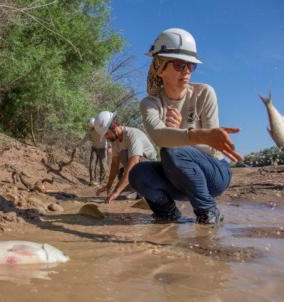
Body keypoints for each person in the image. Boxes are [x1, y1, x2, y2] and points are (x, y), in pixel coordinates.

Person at [127, 28, 243, 225]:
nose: (187, 71)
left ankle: (208, 209)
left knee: (173, 151)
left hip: (214, 173)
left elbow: (211, 148)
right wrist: (182, 135)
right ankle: (167, 213)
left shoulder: (204, 93)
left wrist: (183, 133)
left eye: (191, 66)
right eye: (180, 65)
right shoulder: (150, 103)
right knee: (138, 173)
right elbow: (158, 136)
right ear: (159, 67)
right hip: (178, 176)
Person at [92, 111, 157, 204]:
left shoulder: (132, 135)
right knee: (123, 196)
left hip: (150, 170)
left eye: (106, 134)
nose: (106, 138)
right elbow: (114, 165)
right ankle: (136, 191)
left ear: (113, 126)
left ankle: (144, 189)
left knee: (126, 156)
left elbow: (133, 165)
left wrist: (116, 191)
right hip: (135, 171)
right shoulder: (115, 142)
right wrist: (109, 185)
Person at [82, 118, 108, 185]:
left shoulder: (102, 129)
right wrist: (78, 145)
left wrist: (110, 147)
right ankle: (92, 181)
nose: (92, 129)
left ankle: (102, 182)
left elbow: (108, 136)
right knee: (92, 165)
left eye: (93, 127)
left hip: (103, 149)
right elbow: (85, 138)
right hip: (94, 149)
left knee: (103, 166)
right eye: (91, 127)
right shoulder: (90, 130)